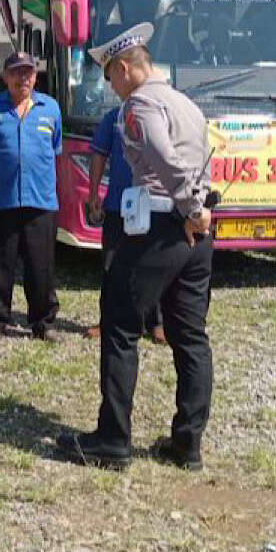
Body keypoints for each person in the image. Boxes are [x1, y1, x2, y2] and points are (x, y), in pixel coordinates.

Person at [57, 22, 214, 472]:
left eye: (110, 77)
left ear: (125, 68)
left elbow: (166, 160)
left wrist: (189, 207)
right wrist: (199, 210)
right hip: (195, 234)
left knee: (121, 326)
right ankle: (188, 444)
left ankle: (112, 439)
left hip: (162, 224)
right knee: (190, 336)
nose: (111, 88)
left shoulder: (140, 104)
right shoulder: (184, 101)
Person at [0, 51, 62, 345]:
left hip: (40, 199)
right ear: (5, 76)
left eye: (28, 73)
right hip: (0, 199)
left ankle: (43, 322)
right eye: (17, 73)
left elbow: (55, 148)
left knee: (41, 264)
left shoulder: (51, 108)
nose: (23, 78)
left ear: (35, 76)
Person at [85, 26, 164, 345]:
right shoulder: (113, 118)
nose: (113, 87)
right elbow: (98, 157)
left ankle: (155, 323)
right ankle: (109, 321)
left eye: (112, 77)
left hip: (154, 204)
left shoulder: (160, 112)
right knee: (112, 268)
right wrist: (93, 195)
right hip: (119, 205)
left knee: (154, 265)